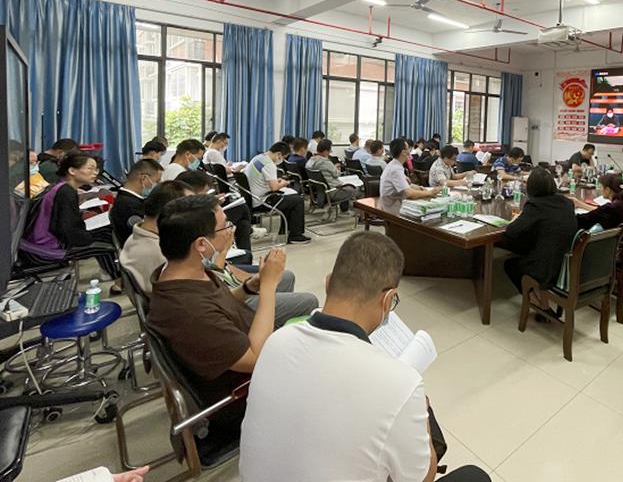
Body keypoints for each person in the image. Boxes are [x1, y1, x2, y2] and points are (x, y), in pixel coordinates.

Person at [239, 231, 491, 482]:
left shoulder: (276, 342)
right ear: (388, 300)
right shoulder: (401, 383)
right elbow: (423, 477)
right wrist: (421, 413)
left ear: (328, 283)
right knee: (474, 477)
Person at [149, 196, 310, 442]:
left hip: (248, 348)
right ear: (201, 244)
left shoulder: (184, 272)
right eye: (225, 226)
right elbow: (255, 359)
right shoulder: (188, 310)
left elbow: (220, 305)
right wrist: (268, 286)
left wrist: (249, 287)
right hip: (246, 396)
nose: (230, 230)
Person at [122, 184, 316, 316]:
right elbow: (215, 281)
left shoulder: (148, 239)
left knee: (284, 277)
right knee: (308, 300)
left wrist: (251, 284)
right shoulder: (161, 257)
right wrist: (264, 287)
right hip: (227, 308)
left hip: (223, 296)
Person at [25, 153, 120, 280]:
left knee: (105, 233)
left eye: (96, 169)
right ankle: (117, 280)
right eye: (90, 168)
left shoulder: (60, 187)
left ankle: (110, 275)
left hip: (46, 241)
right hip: (48, 248)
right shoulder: (66, 192)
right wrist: (89, 238)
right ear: (72, 171)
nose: (95, 173)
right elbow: (68, 229)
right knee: (106, 245)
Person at [499, 168, 577, 293]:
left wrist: (516, 219)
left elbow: (511, 231)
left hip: (545, 268)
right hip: (566, 262)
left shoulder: (535, 205)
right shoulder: (567, 202)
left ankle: (534, 299)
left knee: (510, 264)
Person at [120, 180, 194, 292]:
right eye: (191, 210)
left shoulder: (138, 235)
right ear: (173, 213)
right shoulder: (160, 253)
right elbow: (188, 292)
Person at [244, 141, 310, 244]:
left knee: (290, 199)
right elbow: (274, 187)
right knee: (297, 200)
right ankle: (295, 235)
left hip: (252, 197)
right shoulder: (269, 164)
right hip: (262, 200)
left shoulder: (258, 158)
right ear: (279, 154)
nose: (282, 160)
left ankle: (284, 231)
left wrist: (276, 181)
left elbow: (265, 180)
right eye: (283, 157)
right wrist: (284, 183)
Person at [174, 169, 253, 251]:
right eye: (205, 192)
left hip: (202, 222)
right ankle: (246, 248)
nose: (206, 195)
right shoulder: (184, 208)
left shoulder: (181, 199)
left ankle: (244, 253)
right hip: (200, 227)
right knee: (242, 209)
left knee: (243, 224)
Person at [110, 159, 164, 243]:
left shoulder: (126, 199)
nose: (158, 185)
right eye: (157, 181)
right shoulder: (130, 206)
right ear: (144, 179)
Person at [305, 138, 361, 214]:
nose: (330, 152)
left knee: (345, 185)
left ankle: (344, 209)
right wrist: (336, 166)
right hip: (332, 192)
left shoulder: (311, 160)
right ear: (325, 151)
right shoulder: (325, 162)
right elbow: (336, 174)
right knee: (355, 189)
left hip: (318, 191)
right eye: (330, 150)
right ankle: (346, 211)